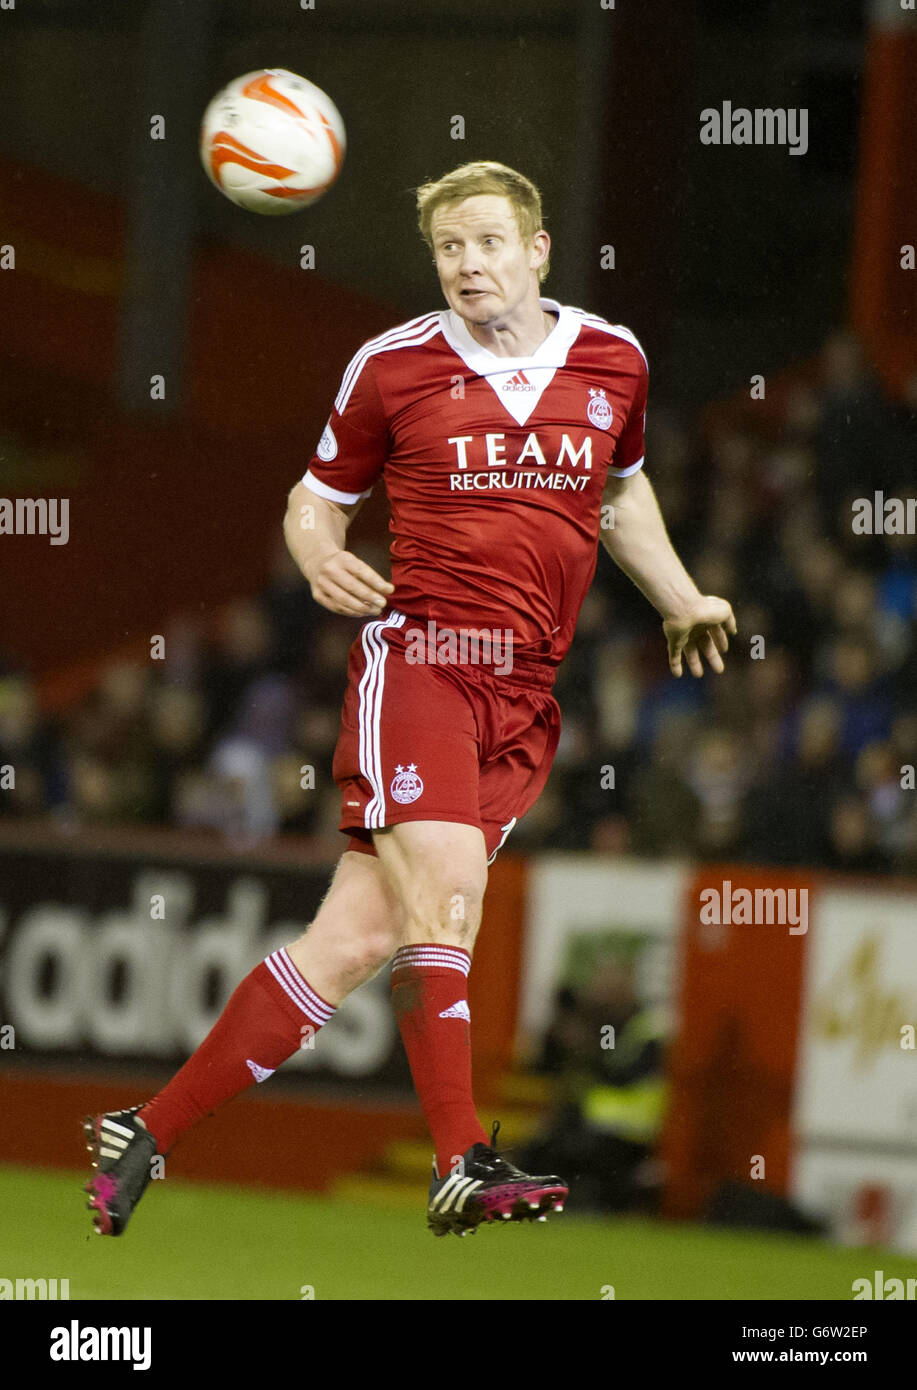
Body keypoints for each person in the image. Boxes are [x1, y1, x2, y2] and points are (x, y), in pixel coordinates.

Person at [84, 160, 736, 1239]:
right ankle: (460, 1158)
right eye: (447, 248)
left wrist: (678, 594)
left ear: (536, 249)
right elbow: (315, 496)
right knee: (447, 894)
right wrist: (314, 551)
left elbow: (618, 490)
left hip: (526, 693)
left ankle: (143, 1129)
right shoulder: (391, 365)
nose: (467, 264)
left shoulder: (612, 359)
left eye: (486, 242)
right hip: (423, 659)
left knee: (348, 944)